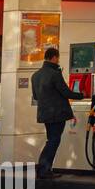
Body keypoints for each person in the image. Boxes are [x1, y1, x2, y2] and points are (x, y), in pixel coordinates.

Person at [30, 46, 82, 179]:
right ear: (54, 57)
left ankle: (44, 168)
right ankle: (43, 169)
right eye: (58, 58)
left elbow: (36, 96)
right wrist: (82, 95)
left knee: (51, 140)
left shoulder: (35, 75)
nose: (58, 61)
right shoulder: (55, 74)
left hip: (44, 113)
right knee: (54, 141)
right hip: (57, 114)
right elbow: (66, 92)